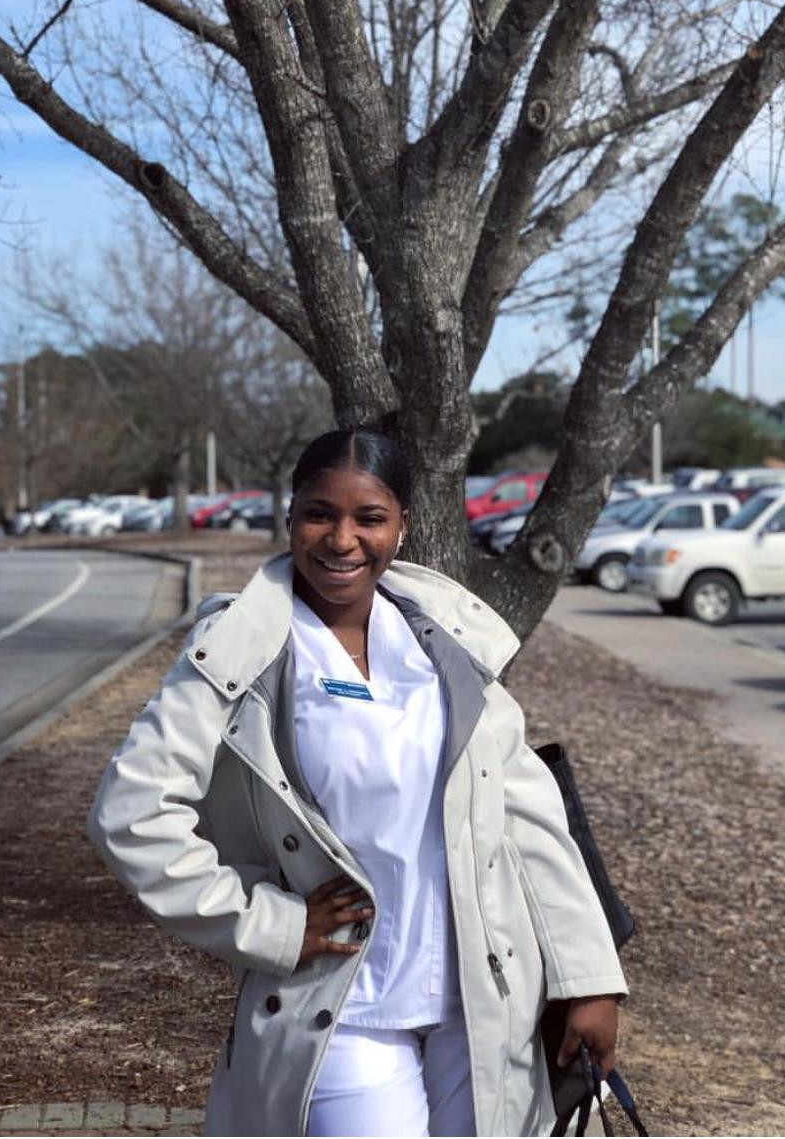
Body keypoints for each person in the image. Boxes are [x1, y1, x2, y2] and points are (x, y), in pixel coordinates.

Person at [88, 428, 626, 1137]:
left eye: (369, 517)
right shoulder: (240, 648)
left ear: (402, 524)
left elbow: (528, 820)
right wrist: (272, 924)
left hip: (482, 999)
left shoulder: (446, 644)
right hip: (344, 1005)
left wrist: (587, 980)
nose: (342, 539)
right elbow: (131, 815)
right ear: (290, 516)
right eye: (320, 513)